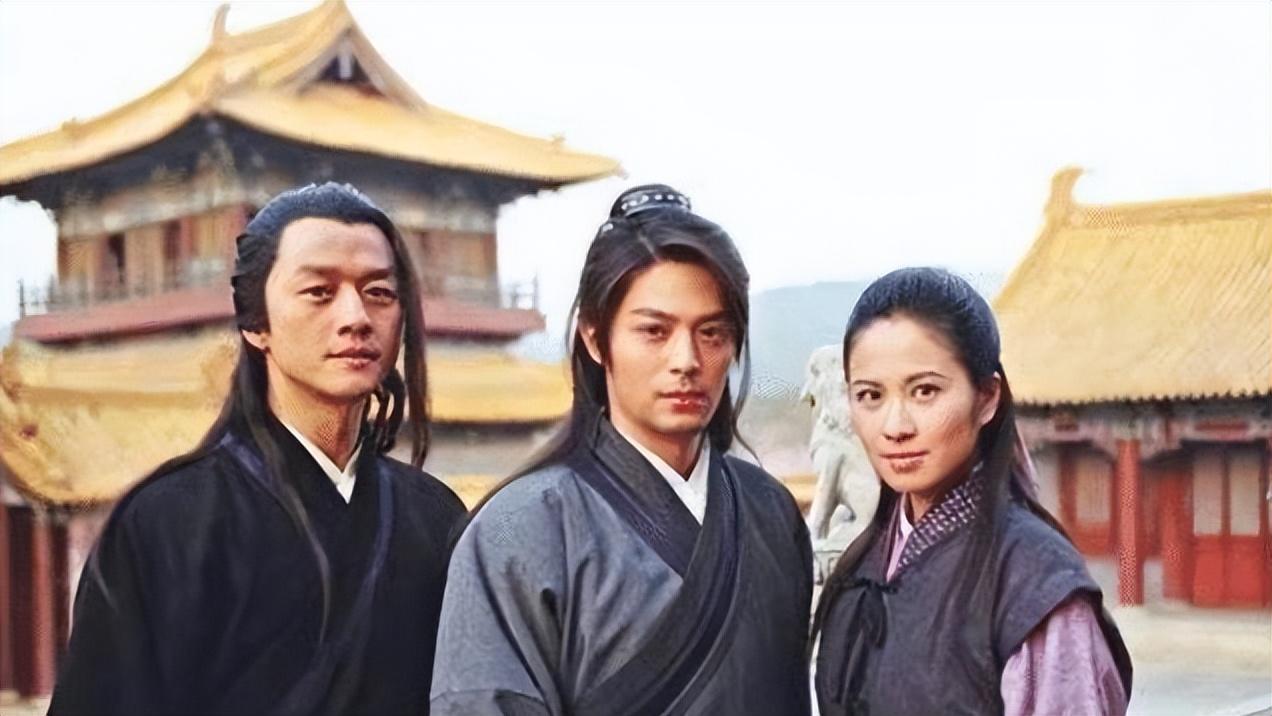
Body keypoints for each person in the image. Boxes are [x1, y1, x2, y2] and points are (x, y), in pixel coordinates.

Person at [49, 183, 467, 716]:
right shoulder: (167, 523)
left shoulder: (435, 517)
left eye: (379, 292)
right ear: (255, 323)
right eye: (319, 291)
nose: (356, 316)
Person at [429, 185, 813, 716]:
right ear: (595, 336)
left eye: (712, 333)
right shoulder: (522, 526)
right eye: (654, 331)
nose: (687, 360)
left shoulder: (769, 512)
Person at [812, 267, 1133, 715]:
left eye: (925, 391)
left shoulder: (1033, 583)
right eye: (870, 396)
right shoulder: (862, 566)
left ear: (986, 398)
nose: (895, 426)